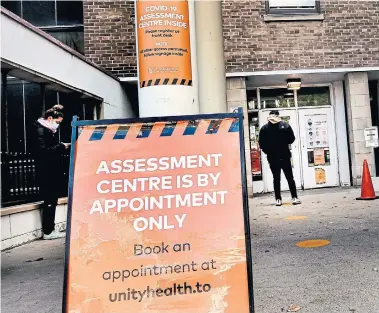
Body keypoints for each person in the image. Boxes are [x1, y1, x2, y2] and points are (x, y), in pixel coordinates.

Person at [33, 106, 70, 239]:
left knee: (52, 199)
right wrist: (61, 146)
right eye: (58, 122)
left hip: (49, 170)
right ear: (50, 118)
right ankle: (48, 231)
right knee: (50, 199)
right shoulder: (42, 131)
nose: (58, 125)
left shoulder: (46, 130)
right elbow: (44, 151)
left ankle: (49, 229)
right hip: (47, 171)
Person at [259, 110, 301, 206]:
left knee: (276, 178)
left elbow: (261, 144)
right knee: (290, 177)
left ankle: (278, 199)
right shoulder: (285, 126)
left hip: (272, 157)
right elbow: (292, 139)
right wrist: (283, 142)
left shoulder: (264, 128)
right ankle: (294, 197)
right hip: (284, 155)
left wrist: (268, 152)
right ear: (278, 116)